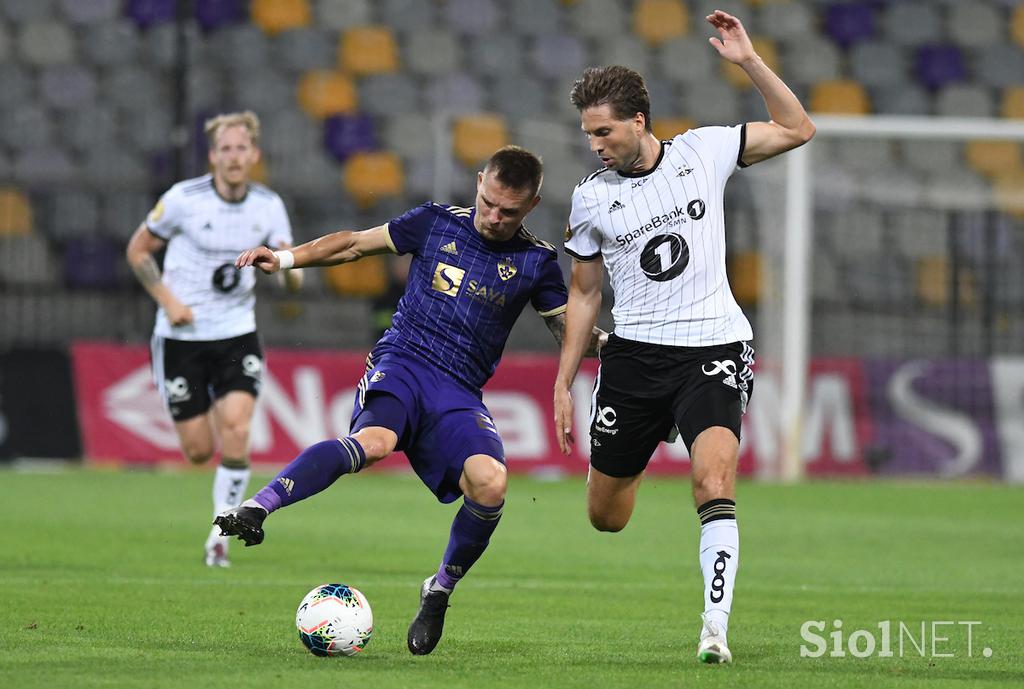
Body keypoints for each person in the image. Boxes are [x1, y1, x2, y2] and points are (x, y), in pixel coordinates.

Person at [215, 146, 606, 655]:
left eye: (508, 211)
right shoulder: (435, 223)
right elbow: (354, 244)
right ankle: (257, 507)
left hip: (458, 392)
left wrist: (628, 349)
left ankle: (438, 590)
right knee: (373, 443)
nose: (493, 217)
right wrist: (286, 258)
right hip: (403, 362)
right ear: (480, 180)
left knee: (491, 483)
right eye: (488, 201)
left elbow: (570, 332)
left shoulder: (535, 262)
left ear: (531, 206)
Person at [552, 11, 815, 665]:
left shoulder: (706, 150)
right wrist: (563, 380)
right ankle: (648, 437)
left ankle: (714, 627)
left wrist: (750, 61)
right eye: (588, 134)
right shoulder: (591, 199)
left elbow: (798, 127)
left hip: (714, 347)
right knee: (606, 516)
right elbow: (584, 294)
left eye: (603, 131)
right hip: (635, 357)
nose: (595, 145)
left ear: (638, 121)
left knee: (712, 479)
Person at [126, 110, 302, 568]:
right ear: (213, 156)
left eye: (242, 148)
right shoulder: (183, 199)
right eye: (225, 149)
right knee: (199, 449)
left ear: (254, 155)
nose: (234, 157)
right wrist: (167, 301)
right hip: (181, 336)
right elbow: (138, 250)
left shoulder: (268, 205)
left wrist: (285, 274)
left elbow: (290, 268)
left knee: (238, 428)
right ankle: (220, 517)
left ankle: (220, 532)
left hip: (235, 333)